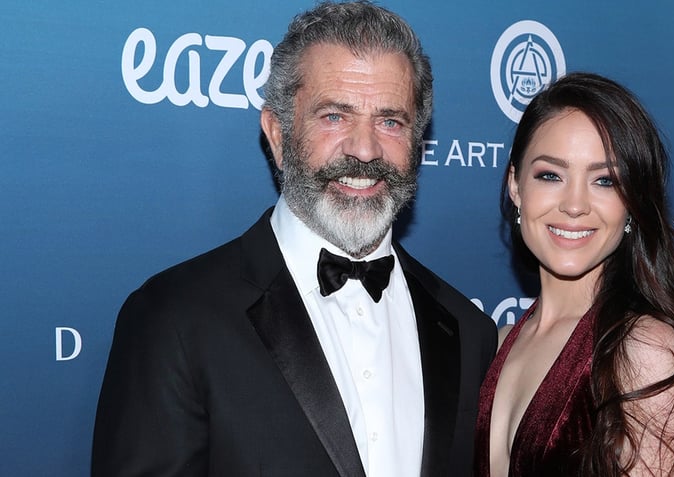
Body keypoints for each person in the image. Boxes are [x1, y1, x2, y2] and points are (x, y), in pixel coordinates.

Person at [91, 2, 496, 476]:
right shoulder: (175, 319)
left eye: (390, 121)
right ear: (278, 135)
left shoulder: (468, 331)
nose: (364, 149)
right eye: (334, 116)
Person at [474, 73, 674, 476]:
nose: (575, 205)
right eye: (550, 175)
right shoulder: (497, 343)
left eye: (605, 180)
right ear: (515, 186)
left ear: (631, 203)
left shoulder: (642, 350)